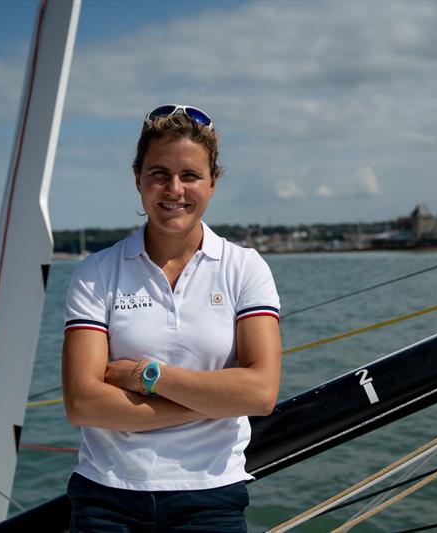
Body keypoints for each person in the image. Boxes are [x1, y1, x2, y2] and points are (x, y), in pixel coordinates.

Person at [61, 104, 281, 532]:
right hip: (106, 496)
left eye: (190, 175)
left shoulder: (244, 268)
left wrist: (147, 376)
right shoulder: (97, 273)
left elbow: (260, 393)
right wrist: (212, 402)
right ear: (137, 177)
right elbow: (83, 403)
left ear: (213, 183)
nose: (174, 189)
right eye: (159, 173)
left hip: (210, 494)